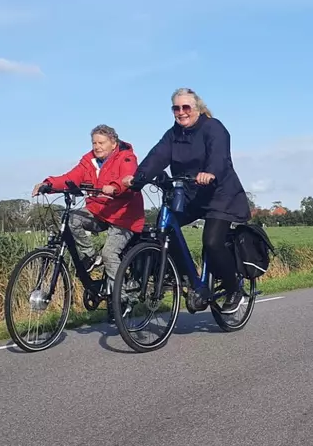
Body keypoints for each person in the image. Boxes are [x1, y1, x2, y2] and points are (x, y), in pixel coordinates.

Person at [122, 87, 251, 314]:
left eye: (186, 107)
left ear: (197, 108)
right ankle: (190, 281)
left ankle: (234, 290)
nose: (181, 112)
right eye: (176, 108)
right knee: (164, 230)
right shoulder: (173, 134)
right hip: (189, 194)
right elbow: (157, 157)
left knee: (212, 242)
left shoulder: (214, 128)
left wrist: (209, 172)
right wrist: (137, 179)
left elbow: (219, 156)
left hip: (218, 193)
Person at [32, 124, 145, 291]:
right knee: (70, 218)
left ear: (113, 143)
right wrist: (48, 184)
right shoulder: (88, 161)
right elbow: (71, 178)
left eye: (101, 143)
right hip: (99, 211)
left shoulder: (126, 157)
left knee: (109, 254)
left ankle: (119, 297)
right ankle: (90, 256)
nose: (97, 147)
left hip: (124, 215)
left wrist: (115, 187)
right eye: (94, 143)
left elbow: (128, 177)